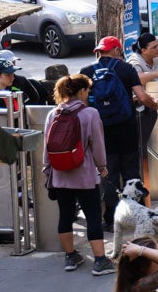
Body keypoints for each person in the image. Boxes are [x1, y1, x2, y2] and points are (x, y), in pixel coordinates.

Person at [81, 36, 158, 229]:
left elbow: (83, 103)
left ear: (99, 51)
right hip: (126, 128)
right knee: (130, 172)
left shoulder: (86, 72)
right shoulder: (126, 69)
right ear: (117, 51)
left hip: (101, 130)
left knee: (108, 172)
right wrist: (155, 105)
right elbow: (142, 97)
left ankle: (110, 217)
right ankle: (136, 214)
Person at [43, 74, 114, 275]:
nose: (89, 94)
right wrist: (102, 166)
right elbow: (98, 145)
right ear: (82, 91)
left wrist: (47, 169)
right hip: (84, 175)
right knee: (92, 215)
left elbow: (47, 147)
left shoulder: (53, 113)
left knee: (65, 214)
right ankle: (100, 260)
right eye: (88, 90)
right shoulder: (90, 113)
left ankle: (70, 256)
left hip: (60, 174)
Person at [126, 33, 158, 173]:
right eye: (154, 47)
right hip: (141, 108)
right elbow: (137, 78)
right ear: (143, 50)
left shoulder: (156, 60)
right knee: (143, 146)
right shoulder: (134, 61)